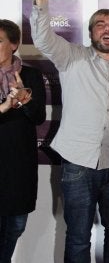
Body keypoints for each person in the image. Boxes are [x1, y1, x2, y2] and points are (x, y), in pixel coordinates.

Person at [30, 0, 109, 263]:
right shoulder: (70, 57)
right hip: (78, 164)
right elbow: (43, 38)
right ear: (91, 33)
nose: (107, 28)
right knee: (77, 237)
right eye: (100, 23)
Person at [0, 19, 46, 263]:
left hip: (19, 165)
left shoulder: (30, 75)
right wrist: (4, 107)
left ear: (14, 44)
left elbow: (39, 117)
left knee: (16, 226)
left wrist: (25, 98)